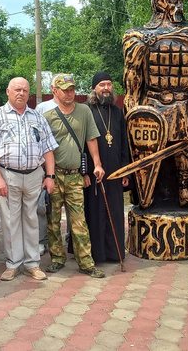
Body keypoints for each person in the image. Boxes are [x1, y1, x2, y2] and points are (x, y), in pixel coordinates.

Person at [123, 0, 188, 207]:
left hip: (181, 102)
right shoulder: (137, 36)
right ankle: (147, 191)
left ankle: (184, 189)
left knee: (181, 151)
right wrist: (131, 114)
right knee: (148, 151)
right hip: (151, 104)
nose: (174, 1)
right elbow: (132, 80)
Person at [0, 77, 58, 281]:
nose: (21, 93)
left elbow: (48, 148)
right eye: (17, 89)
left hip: (34, 176)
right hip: (8, 175)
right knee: (11, 221)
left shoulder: (37, 117)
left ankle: (32, 264)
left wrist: (50, 176)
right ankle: (13, 263)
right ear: (8, 91)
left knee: (32, 219)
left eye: (24, 90)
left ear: (29, 93)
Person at [43, 74, 106, 278]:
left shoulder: (84, 110)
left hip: (74, 177)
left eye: (72, 89)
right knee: (52, 221)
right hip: (54, 175)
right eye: (65, 90)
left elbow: (91, 139)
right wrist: (48, 176)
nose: (69, 93)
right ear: (55, 90)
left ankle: (86, 262)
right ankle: (57, 259)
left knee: (79, 221)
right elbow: (44, 149)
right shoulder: (48, 116)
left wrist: (96, 165)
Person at [83, 72, 130, 263]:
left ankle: (114, 252)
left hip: (115, 172)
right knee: (94, 212)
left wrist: (125, 169)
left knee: (115, 211)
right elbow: (81, 144)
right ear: (95, 88)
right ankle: (96, 254)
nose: (106, 88)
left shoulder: (118, 112)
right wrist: (84, 171)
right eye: (102, 84)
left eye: (109, 84)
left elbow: (124, 142)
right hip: (94, 172)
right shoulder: (85, 110)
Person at [35, 73, 64, 256]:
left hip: (71, 168)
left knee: (70, 209)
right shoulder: (42, 108)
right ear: (54, 89)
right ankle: (41, 241)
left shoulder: (77, 108)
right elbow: (37, 137)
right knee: (43, 206)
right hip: (47, 167)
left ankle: (68, 238)